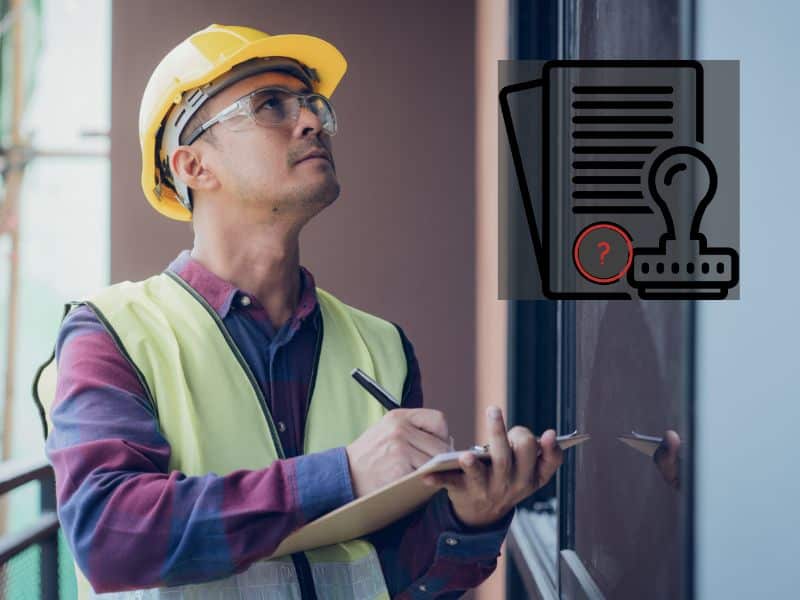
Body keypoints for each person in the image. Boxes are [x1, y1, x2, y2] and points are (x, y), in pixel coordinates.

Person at [33, 24, 563, 599]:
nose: (312, 121)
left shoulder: (381, 347)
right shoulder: (111, 333)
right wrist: (344, 475)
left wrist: (470, 520)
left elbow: (401, 579)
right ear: (193, 167)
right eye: (270, 106)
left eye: (312, 105)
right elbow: (109, 533)